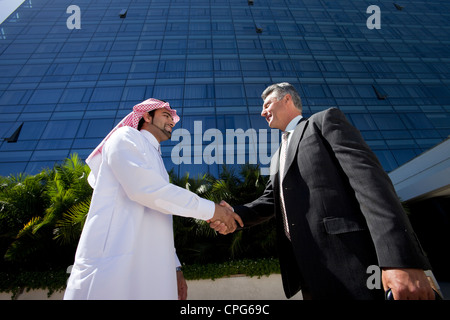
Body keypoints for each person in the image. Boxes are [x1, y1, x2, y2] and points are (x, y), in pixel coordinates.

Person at [212, 83, 435, 300]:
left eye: (267, 104)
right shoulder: (277, 158)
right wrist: (235, 213)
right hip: (310, 273)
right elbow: (270, 201)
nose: (263, 112)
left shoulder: (324, 122)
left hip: (354, 264)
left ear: (287, 99)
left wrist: (400, 260)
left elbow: (371, 184)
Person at [64, 98, 242, 300]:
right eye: (166, 115)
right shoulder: (125, 136)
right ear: (146, 116)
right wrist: (214, 211)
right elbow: (146, 190)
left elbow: (159, 214)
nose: (172, 122)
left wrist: (175, 268)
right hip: (113, 264)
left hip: (151, 271)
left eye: (172, 119)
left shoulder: (155, 158)